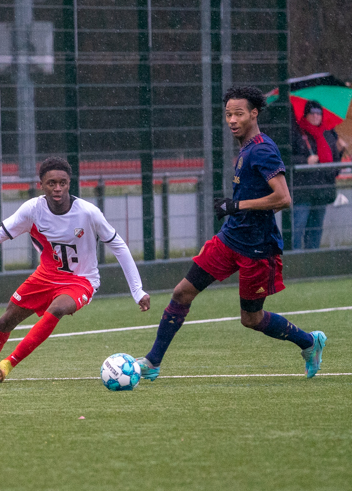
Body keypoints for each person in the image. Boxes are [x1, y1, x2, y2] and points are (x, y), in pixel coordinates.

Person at [137, 86, 327, 382]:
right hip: (229, 239)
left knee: (251, 319)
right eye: (228, 114)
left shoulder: (262, 149)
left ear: (254, 113)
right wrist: (240, 211)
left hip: (257, 249)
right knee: (182, 292)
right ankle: (152, 362)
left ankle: (308, 342)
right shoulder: (246, 148)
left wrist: (237, 205)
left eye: (239, 113)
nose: (232, 120)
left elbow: (284, 198)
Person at [0, 156, 151, 382]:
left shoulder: (89, 213)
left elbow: (118, 246)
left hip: (81, 280)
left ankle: (8, 364)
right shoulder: (32, 209)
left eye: (63, 182)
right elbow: (4, 232)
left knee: (58, 308)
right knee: (6, 320)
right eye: (52, 183)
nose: (58, 188)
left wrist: (137, 290)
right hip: (46, 276)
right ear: (41, 185)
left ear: (69, 183)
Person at [290, 100, 346, 249]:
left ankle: (312, 260)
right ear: (306, 115)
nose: (316, 116)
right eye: (312, 113)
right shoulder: (297, 132)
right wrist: (305, 161)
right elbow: (285, 159)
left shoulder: (328, 134)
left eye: (318, 113)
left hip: (322, 192)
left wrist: (339, 152)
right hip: (302, 192)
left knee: (315, 229)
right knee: (297, 228)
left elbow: (334, 170)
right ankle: (294, 261)